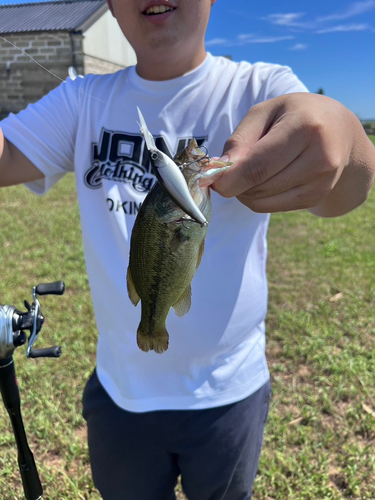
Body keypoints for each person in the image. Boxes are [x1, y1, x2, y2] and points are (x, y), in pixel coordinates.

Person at [0, 1, 374, 499]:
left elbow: (346, 191)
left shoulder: (261, 88)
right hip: (120, 393)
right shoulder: (80, 100)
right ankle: (149, 325)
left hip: (230, 392)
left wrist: (346, 140)